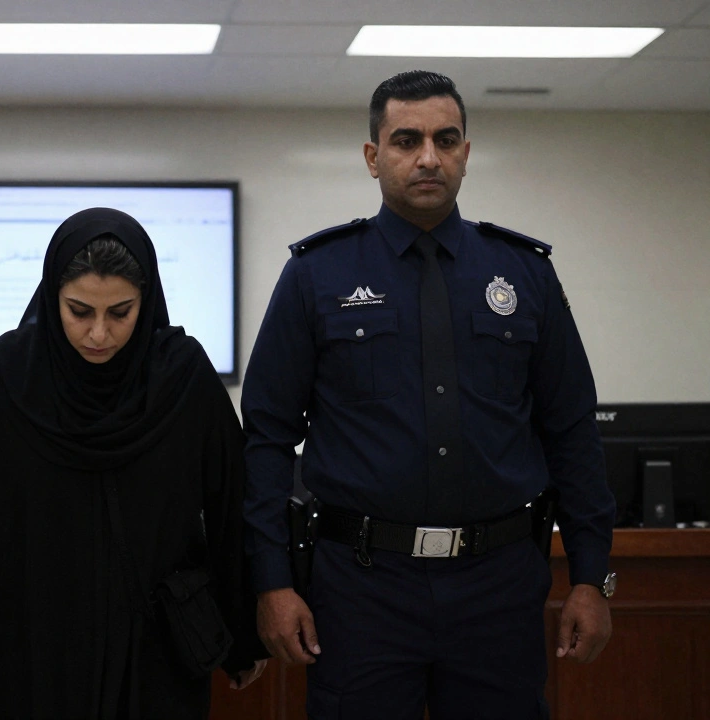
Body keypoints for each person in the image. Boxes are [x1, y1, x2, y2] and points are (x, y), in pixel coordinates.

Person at [242, 71, 616, 719]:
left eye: (445, 140)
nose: (427, 158)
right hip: (362, 587)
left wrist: (591, 576)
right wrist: (271, 581)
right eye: (406, 140)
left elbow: (572, 430)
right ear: (373, 156)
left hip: (498, 585)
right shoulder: (316, 274)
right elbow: (267, 437)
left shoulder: (524, 273)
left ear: (465, 153)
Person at [0, 208, 268, 719]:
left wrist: (244, 633)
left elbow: (232, 510)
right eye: (79, 311)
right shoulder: (5, 377)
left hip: (153, 654)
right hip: (27, 646)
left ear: (146, 302)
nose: (99, 334)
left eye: (120, 313)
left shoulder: (183, 379)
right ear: (51, 297)